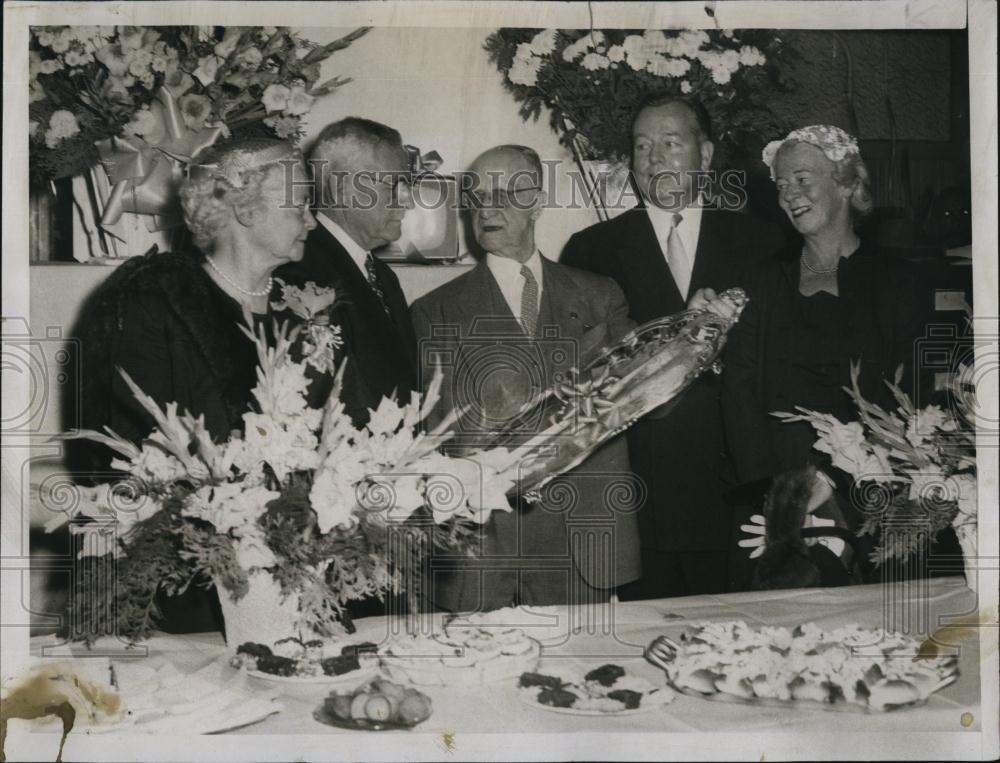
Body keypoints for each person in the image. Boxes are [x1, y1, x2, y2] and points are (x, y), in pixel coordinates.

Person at [71, 137, 316, 631]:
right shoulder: (154, 305)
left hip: (295, 584)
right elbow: (130, 464)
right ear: (245, 210)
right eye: (301, 205)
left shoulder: (304, 308)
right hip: (185, 597)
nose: (311, 220)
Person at [561, 93, 784, 598]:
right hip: (640, 500)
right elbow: (586, 378)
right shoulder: (590, 250)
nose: (655, 158)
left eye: (670, 142)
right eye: (642, 146)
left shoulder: (763, 243)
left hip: (737, 499)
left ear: (705, 155)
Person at [410, 145, 641, 610]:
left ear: (537, 200)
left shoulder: (601, 295)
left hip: (582, 543)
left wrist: (696, 331)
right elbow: (442, 438)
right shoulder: (433, 312)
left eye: (504, 193)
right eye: (476, 196)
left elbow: (644, 394)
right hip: (483, 551)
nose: (487, 208)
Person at [722, 125, 949, 581]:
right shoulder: (761, 282)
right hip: (779, 501)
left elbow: (915, 400)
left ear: (846, 182)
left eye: (802, 179)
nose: (789, 194)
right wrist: (779, 496)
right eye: (782, 184)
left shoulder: (902, 283)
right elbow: (738, 392)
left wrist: (842, 485)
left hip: (874, 495)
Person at [275, 117, 417, 427]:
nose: (408, 199)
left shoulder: (382, 275)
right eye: (396, 184)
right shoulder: (300, 275)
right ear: (344, 188)